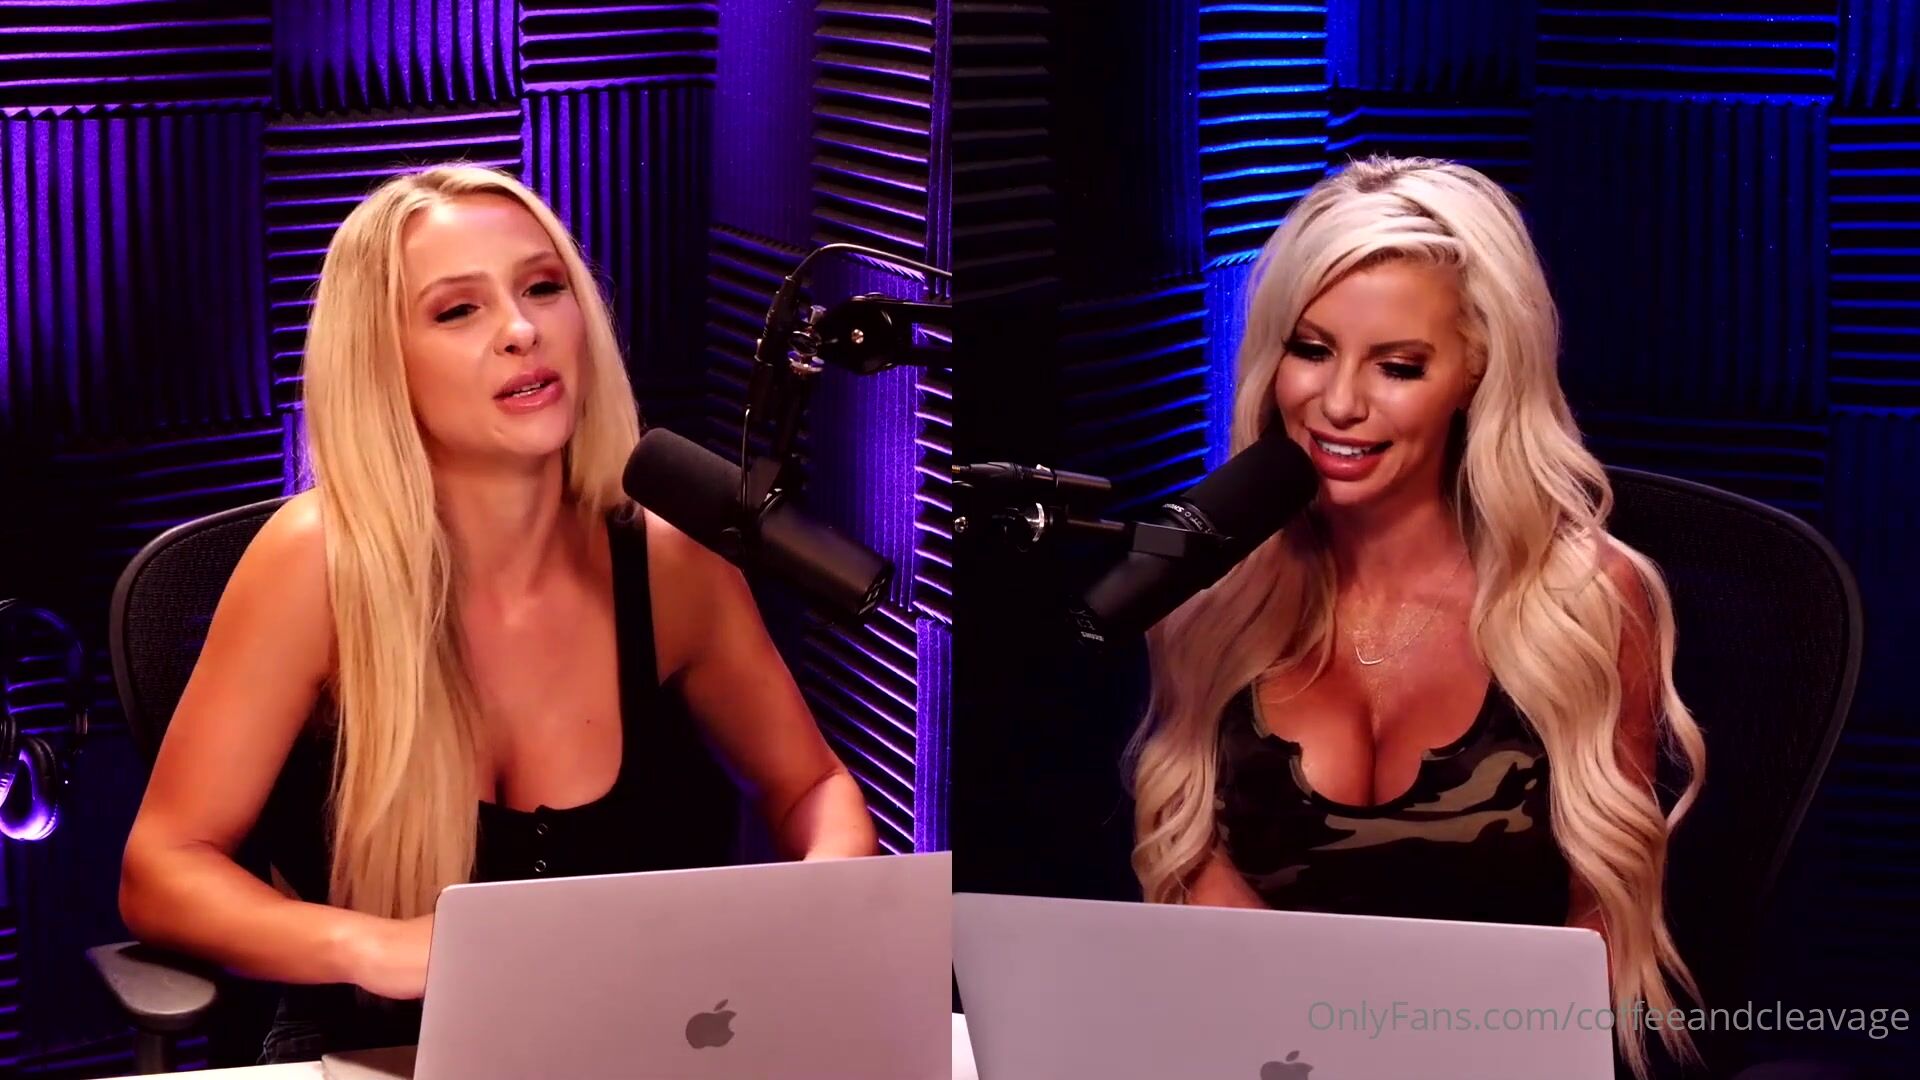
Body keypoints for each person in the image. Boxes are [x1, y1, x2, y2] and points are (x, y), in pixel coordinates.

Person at [118, 164, 878, 1062]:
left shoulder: (669, 559)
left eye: (543, 288)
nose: (522, 330)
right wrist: (376, 947)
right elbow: (164, 869)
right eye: (457, 311)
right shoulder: (315, 565)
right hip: (386, 1053)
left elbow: (812, 787)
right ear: (382, 363)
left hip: (643, 1045)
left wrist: (820, 908)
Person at [1124, 156, 1706, 1078]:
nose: (1339, 404)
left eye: (1398, 367)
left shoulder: (1584, 603)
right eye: (1311, 350)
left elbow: (1597, 938)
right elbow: (1204, 918)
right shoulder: (1216, 591)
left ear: (1477, 371)